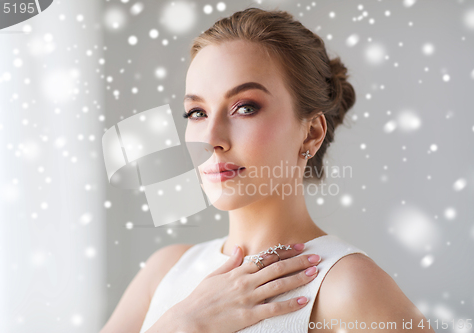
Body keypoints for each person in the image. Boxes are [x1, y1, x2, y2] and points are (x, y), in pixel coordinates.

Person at [101, 8, 435, 333]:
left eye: (245, 108)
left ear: (311, 132)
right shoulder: (166, 270)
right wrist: (184, 324)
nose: (211, 139)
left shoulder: (344, 286)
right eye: (197, 112)